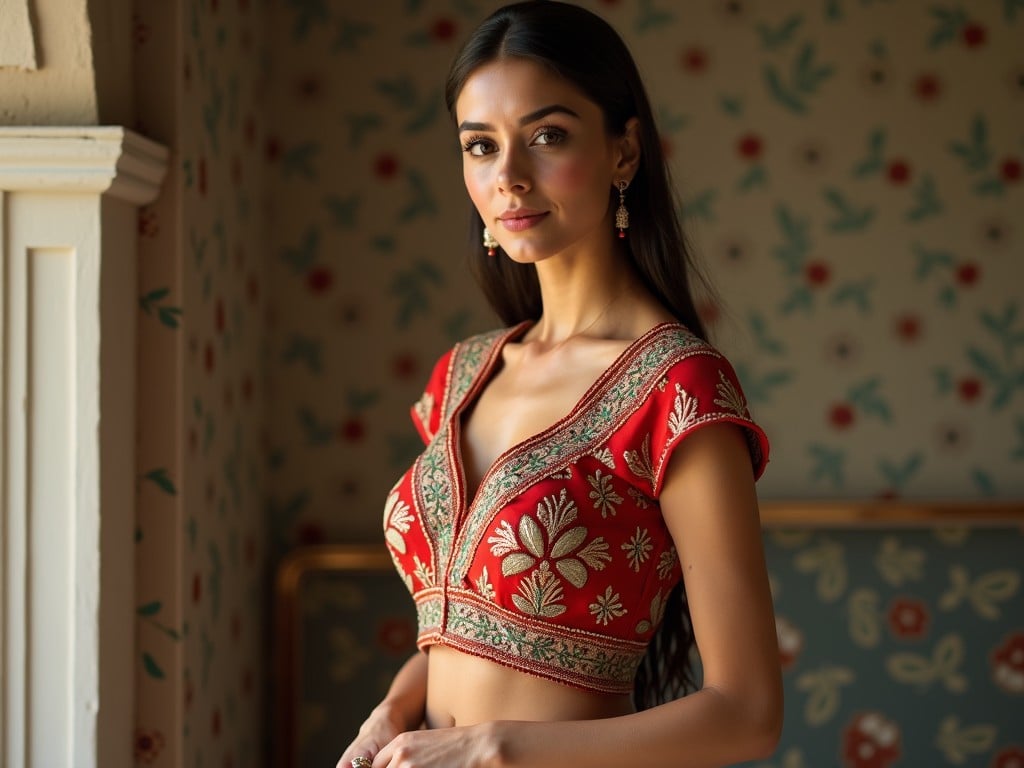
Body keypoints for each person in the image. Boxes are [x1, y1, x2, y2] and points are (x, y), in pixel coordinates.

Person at [338, 2, 783, 766]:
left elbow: (746, 714)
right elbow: (468, 638)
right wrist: (394, 709)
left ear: (623, 152)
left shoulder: (677, 389)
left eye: (547, 136)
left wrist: (491, 749)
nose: (508, 177)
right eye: (481, 146)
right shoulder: (463, 375)